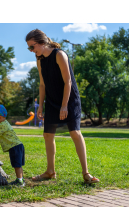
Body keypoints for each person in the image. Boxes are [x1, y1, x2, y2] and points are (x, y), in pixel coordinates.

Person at [26, 29, 99, 184]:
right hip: (52, 101)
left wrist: (64, 106)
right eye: (29, 48)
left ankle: (86, 173)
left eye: (32, 47)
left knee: (75, 133)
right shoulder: (39, 60)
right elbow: (42, 84)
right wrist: (40, 106)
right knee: (47, 135)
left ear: (41, 42)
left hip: (69, 100)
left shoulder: (60, 55)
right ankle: (50, 171)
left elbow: (68, 82)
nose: (31, 51)